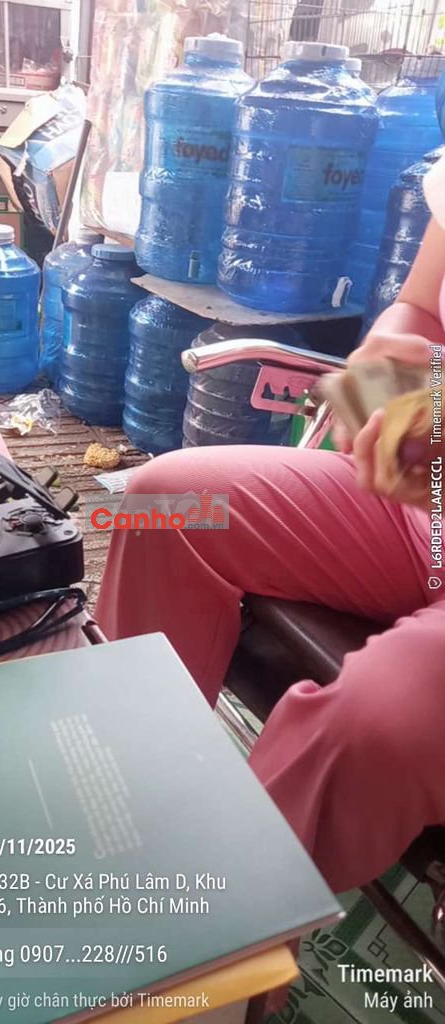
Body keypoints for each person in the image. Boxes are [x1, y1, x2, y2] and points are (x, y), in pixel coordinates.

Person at [96, 158, 445, 895]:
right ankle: (126, 802)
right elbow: (421, 307)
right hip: (425, 506)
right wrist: (389, 362)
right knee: (166, 504)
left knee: (381, 717)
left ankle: (221, 934)